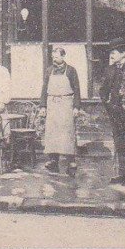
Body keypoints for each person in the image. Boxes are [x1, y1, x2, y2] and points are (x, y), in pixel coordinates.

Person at [99, 38, 125, 185]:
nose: (111, 55)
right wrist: (109, 106)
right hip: (115, 115)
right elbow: (103, 91)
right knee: (120, 144)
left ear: (123, 53)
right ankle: (122, 174)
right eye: (111, 52)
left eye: (114, 52)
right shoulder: (110, 69)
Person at [40, 46, 82, 176]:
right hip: (52, 104)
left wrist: (76, 107)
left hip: (66, 104)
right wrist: (43, 106)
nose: (54, 59)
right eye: (53, 57)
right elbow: (44, 89)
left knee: (67, 132)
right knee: (52, 133)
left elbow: (77, 90)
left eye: (57, 56)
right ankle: (53, 160)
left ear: (63, 57)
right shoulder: (49, 71)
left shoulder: (71, 71)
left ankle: (71, 161)